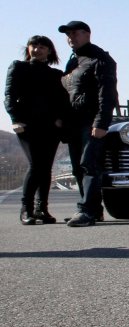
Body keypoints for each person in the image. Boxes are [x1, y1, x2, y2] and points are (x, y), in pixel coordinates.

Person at [4, 36, 70, 224]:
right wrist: (15, 120)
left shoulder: (56, 74)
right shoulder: (19, 67)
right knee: (36, 165)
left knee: (46, 167)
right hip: (27, 125)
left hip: (50, 127)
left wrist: (60, 120)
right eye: (34, 46)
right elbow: (9, 95)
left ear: (49, 51)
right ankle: (26, 209)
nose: (37, 50)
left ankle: (42, 209)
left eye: (42, 47)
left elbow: (62, 100)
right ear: (28, 48)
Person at [59, 21, 118, 227]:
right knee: (78, 167)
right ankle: (92, 209)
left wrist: (101, 122)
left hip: (91, 120)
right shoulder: (73, 62)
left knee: (89, 164)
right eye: (68, 35)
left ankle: (87, 210)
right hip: (73, 122)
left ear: (87, 34)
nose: (71, 38)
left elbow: (107, 93)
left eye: (75, 33)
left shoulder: (100, 59)